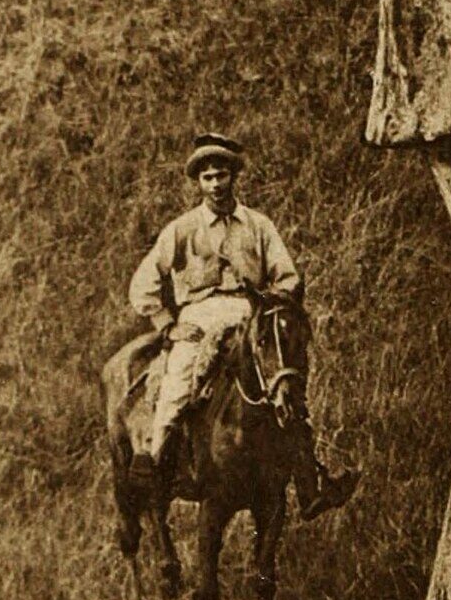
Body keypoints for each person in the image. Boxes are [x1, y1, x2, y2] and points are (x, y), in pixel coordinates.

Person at [127, 133, 358, 520]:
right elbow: (143, 282)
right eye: (208, 178)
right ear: (198, 183)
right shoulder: (182, 230)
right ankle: (155, 461)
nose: (216, 184)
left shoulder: (258, 226)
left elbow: (288, 276)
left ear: (235, 178)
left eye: (222, 175)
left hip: (250, 316)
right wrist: (167, 325)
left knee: (283, 381)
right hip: (199, 317)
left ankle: (309, 480)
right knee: (180, 380)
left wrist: (274, 303)